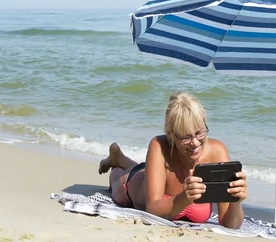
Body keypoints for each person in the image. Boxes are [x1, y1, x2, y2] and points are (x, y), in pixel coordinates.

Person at [98, 92, 248, 229]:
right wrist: (185, 197)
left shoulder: (217, 152)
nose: (195, 143)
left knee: (146, 169)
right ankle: (116, 160)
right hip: (133, 185)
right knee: (120, 179)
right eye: (186, 137)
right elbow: (152, 210)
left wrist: (236, 202)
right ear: (171, 135)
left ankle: (120, 157)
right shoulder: (158, 145)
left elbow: (230, 225)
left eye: (199, 133)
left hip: (154, 171)